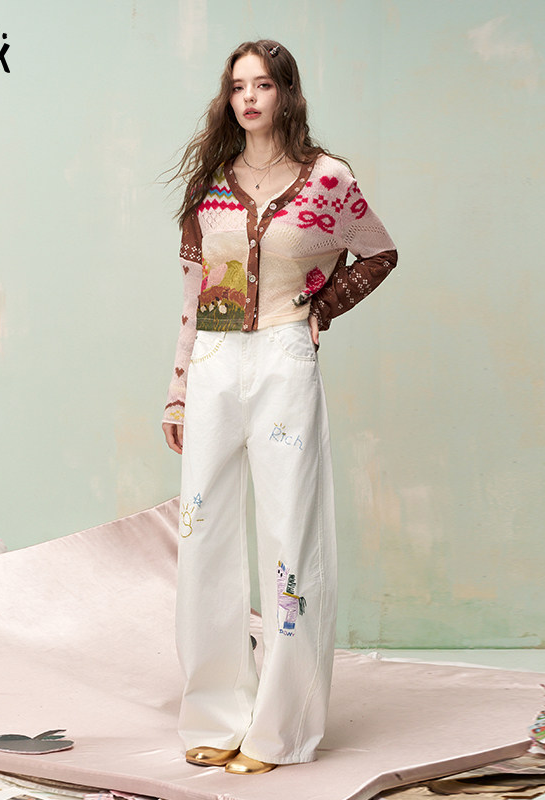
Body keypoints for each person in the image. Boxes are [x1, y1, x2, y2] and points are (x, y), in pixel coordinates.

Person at [162, 39, 397, 775]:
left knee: (290, 537)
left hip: (284, 359)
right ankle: (215, 713)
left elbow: (379, 252)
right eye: (238, 86)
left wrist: (321, 308)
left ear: (286, 93)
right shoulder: (213, 181)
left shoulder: (328, 179)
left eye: (263, 85)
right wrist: (177, 390)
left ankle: (280, 729)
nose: (249, 98)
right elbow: (195, 293)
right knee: (203, 536)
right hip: (214, 363)